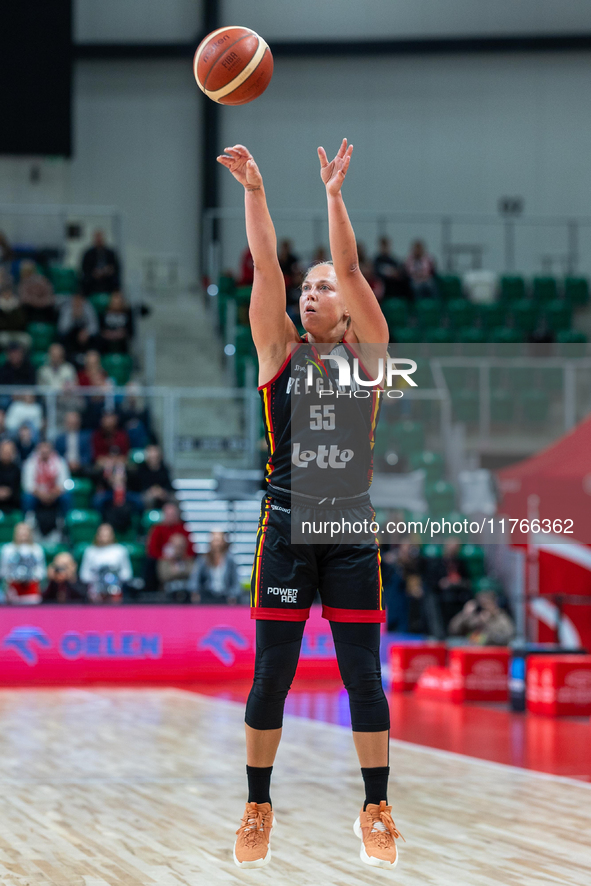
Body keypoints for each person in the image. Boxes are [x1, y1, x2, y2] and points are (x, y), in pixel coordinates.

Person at [217, 141, 401, 870]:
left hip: (351, 531)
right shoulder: (276, 353)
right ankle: (257, 805)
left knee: (363, 675)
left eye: (321, 288)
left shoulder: (371, 355)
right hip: (286, 529)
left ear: (347, 311)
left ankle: (375, 809)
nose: (309, 293)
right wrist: (256, 191)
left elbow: (350, 268)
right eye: (306, 290)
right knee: (272, 676)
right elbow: (265, 267)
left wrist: (331, 196)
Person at [22, 440, 71, 534]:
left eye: (47, 451)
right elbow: (28, 485)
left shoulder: (59, 462)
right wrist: (42, 495)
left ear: (51, 451)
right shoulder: (30, 462)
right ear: (38, 451)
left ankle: (65, 521)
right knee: (27, 497)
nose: (44, 453)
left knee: (66, 497)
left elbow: (64, 483)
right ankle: (29, 519)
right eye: (42, 451)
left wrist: (52, 494)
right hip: (37, 495)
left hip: (54, 495)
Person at [79, 523, 132, 603]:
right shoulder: (90, 551)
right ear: (97, 535)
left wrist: (114, 576)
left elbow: (127, 573)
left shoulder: (120, 550)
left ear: (112, 535)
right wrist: (97, 577)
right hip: (95, 592)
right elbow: (84, 575)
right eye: (102, 534)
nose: (104, 536)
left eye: (107, 534)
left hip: (115, 591)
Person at [189, 530, 240, 604]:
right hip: (207, 595)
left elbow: (236, 581)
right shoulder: (203, 559)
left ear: (223, 542)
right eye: (215, 540)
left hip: (225, 596)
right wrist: (195, 591)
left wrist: (233, 594)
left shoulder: (230, 560)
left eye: (219, 540)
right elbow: (195, 578)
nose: (217, 543)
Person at [448, 588, 515, 646]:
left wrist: (487, 623)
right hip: (473, 654)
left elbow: (506, 637)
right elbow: (454, 630)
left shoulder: (501, 618)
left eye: (487, 602)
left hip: (493, 655)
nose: (484, 606)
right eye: (482, 603)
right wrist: (464, 614)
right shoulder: (475, 617)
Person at [0, 522, 46, 604]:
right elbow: (4, 570)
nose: (23, 535)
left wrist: (30, 578)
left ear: (30, 533)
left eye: (25, 532)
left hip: (31, 588)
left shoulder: (37, 549)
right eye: (20, 532)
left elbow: (41, 571)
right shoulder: (7, 549)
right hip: (13, 588)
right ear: (15, 533)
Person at [57, 292, 99, 360]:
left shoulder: (88, 307)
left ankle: (91, 357)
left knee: (96, 338)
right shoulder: (67, 308)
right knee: (63, 338)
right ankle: (69, 358)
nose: (78, 303)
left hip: (85, 336)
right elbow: (62, 329)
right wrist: (72, 317)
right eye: (75, 301)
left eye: (80, 301)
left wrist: (87, 332)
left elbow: (95, 327)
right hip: (71, 336)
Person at [130, 444, 173, 509]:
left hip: (162, 495)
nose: (153, 457)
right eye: (151, 456)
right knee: (147, 500)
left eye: (155, 456)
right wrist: (151, 492)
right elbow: (138, 486)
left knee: (172, 502)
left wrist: (161, 492)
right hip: (145, 496)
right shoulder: (141, 470)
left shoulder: (164, 469)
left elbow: (168, 486)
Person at [81, 230, 121, 296]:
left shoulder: (111, 253)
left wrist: (107, 271)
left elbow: (116, 268)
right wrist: (94, 273)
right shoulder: (88, 254)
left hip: (108, 281)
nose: (99, 240)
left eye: (100, 238)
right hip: (92, 282)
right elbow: (84, 269)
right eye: (97, 238)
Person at [157, 532, 195, 601]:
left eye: (181, 546)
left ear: (185, 547)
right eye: (176, 546)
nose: (178, 550)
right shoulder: (164, 561)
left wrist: (176, 572)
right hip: (167, 596)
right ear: (170, 546)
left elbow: (193, 574)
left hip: (187, 597)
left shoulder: (190, 560)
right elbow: (164, 576)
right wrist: (172, 562)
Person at [18, 260, 57, 324]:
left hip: (43, 307)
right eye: (24, 272)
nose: (26, 274)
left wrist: (39, 302)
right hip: (31, 308)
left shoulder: (43, 281)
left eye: (28, 271)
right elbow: (24, 298)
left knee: (52, 309)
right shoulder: (23, 283)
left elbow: (50, 296)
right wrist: (36, 301)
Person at [0, 272, 31, 349]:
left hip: (18, 333)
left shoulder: (17, 305)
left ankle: (24, 360)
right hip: (5, 333)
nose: (7, 294)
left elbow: (22, 322)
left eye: (8, 292)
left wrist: (13, 310)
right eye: (5, 293)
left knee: (27, 340)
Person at [0, 439, 21, 512]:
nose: (6, 453)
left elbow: (17, 491)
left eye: (9, 451)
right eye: (4, 451)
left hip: (12, 506)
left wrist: (8, 493)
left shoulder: (17, 470)